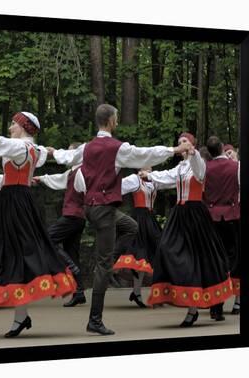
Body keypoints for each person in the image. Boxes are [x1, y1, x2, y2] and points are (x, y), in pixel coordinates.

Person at [50, 104, 191, 335]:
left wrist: (51, 152)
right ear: (111, 121)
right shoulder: (117, 148)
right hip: (104, 210)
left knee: (131, 226)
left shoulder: (86, 147)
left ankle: (113, 259)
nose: (117, 122)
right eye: (116, 119)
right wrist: (175, 150)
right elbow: (145, 154)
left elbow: (66, 156)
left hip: (92, 207)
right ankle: (95, 319)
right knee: (103, 266)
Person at [0, 111, 76, 338]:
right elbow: (43, 153)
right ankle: (20, 315)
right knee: (14, 252)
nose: (10, 127)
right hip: (15, 199)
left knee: (11, 250)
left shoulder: (20, 147)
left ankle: (19, 316)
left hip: (14, 201)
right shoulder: (34, 150)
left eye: (13, 124)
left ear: (23, 127)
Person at [144, 133, 233, 326]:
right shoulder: (180, 168)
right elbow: (166, 177)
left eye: (185, 142)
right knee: (166, 248)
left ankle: (192, 310)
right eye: (179, 143)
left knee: (195, 259)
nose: (181, 144)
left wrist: (193, 154)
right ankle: (178, 293)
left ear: (192, 144)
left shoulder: (198, 163)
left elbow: (200, 172)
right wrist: (149, 175)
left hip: (195, 215)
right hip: (180, 214)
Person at [33, 142, 88, 307]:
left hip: (74, 216)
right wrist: (41, 179)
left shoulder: (81, 171)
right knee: (72, 251)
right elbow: (59, 179)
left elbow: (87, 190)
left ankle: (73, 271)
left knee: (47, 239)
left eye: (71, 153)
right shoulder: (72, 171)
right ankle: (79, 293)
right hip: (76, 217)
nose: (68, 156)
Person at [113, 169, 162, 308]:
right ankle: (137, 292)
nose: (148, 169)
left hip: (150, 219)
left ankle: (154, 293)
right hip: (140, 219)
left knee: (158, 254)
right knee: (140, 257)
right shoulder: (135, 180)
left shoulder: (154, 179)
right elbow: (118, 186)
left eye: (150, 167)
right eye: (145, 166)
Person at [204, 136, 241, 315]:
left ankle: (216, 304)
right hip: (232, 217)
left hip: (212, 218)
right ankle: (237, 301)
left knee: (215, 258)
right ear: (220, 147)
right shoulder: (236, 167)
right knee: (234, 258)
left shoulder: (205, 168)